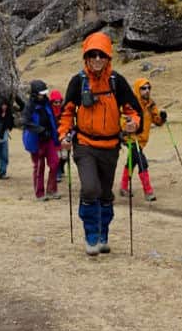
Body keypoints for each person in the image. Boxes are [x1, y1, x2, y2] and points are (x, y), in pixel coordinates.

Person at [58, 32, 142, 256]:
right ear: (86, 56)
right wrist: (64, 135)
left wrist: (133, 123)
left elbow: (133, 109)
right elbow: (67, 112)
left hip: (111, 147)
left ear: (108, 57)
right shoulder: (78, 82)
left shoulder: (117, 82)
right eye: (92, 54)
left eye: (101, 55)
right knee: (90, 188)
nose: (97, 59)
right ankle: (91, 236)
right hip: (84, 145)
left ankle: (103, 235)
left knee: (105, 193)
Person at [119, 78, 167, 202]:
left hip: (141, 140)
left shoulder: (151, 104)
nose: (147, 91)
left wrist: (162, 118)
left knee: (132, 161)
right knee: (142, 162)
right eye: (143, 88)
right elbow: (123, 120)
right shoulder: (130, 104)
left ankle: (123, 187)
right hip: (130, 138)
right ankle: (148, 192)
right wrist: (129, 126)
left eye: (148, 88)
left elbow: (157, 122)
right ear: (137, 89)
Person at [21, 80, 60, 201]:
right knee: (39, 167)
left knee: (55, 163)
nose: (43, 95)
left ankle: (51, 189)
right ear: (34, 93)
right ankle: (40, 193)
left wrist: (56, 134)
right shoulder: (29, 106)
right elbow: (26, 122)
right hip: (36, 140)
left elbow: (52, 118)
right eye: (41, 93)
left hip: (49, 139)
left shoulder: (47, 102)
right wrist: (41, 130)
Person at [49, 89, 67, 183]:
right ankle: (58, 173)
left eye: (59, 102)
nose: (57, 104)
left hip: (63, 135)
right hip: (53, 137)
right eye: (55, 102)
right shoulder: (49, 111)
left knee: (64, 156)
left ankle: (62, 168)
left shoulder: (64, 109)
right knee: (57, 156)